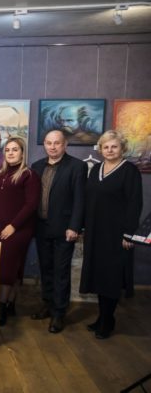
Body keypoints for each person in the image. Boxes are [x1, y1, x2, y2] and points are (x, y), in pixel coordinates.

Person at [80, 130, 142, 339]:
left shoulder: (129, 171)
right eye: (105, 147)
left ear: (122, 148)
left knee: (111, 278)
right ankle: (102, 317)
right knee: (99, 276)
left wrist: (129, 234)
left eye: (114, 146)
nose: (109, 150)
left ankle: (108, 320)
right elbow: (88, 200)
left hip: (117, 235)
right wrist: (83, 227)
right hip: (96, 232)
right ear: (100, 149)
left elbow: (135, 204)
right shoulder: (96, 169)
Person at [31, 129, 87, 333]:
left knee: (60, 272)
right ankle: (48, 304)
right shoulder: (37, 166)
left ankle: (59, 313)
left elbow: (80, 199)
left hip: (65, 229)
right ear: (44, 145)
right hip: (41, 227)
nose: (52, 147)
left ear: (65, 145)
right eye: (49, 143)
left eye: (57, 143)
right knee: (45, 269)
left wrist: (75, 226)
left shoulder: (77, 166)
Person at [0, 137, 40, 326]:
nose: (10, 153)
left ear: (22, 153)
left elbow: (31, 204)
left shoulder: (29, 175)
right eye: (8, 150)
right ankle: (10, 303)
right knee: (6, 266)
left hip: (18, 229)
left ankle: (1, 307)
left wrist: (14, 226)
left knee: (7, 268)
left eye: (15, 149)